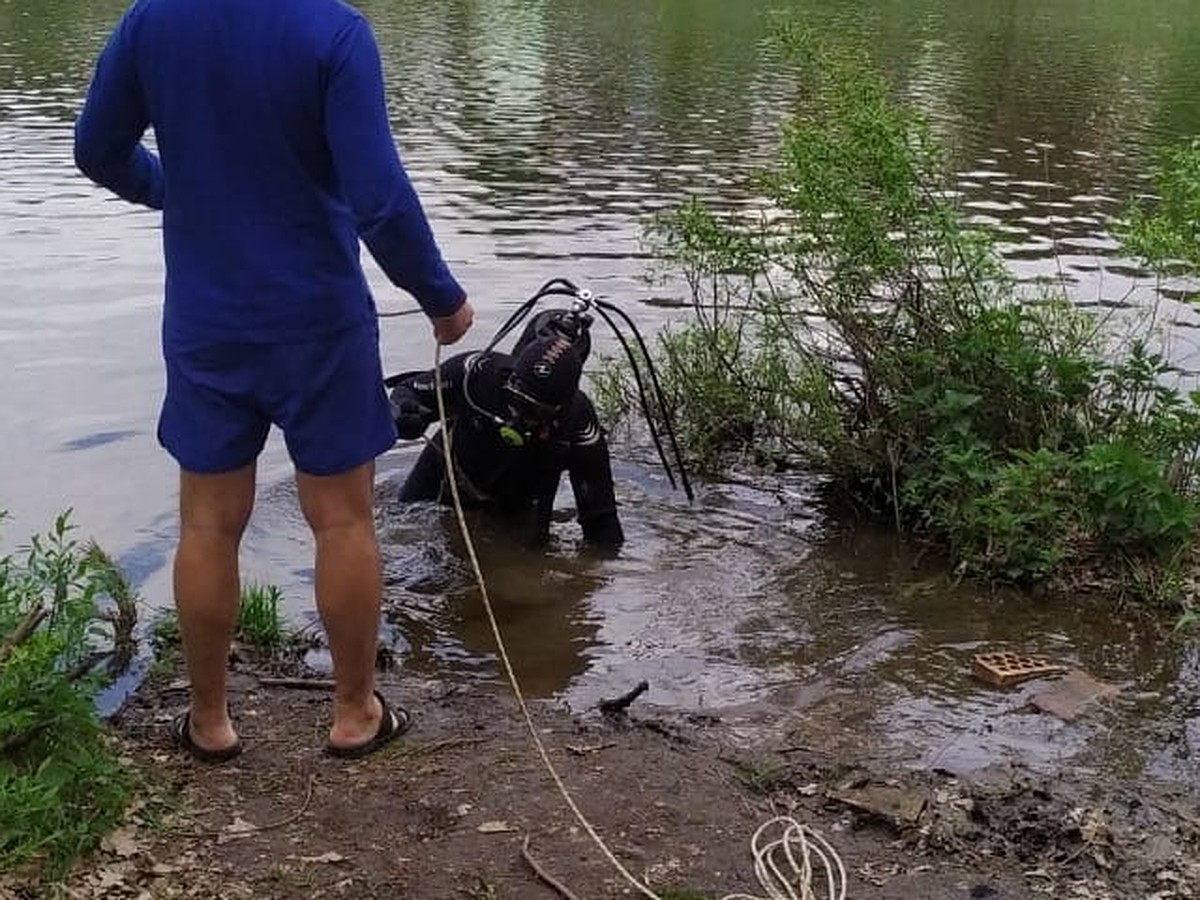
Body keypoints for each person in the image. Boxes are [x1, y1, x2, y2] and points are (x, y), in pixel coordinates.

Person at [73, 0, 474, 762]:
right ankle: (356, 713)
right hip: (319, 323)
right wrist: (442, 299)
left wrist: (173, 190)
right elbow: (379, 200)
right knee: (343, 522)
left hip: (208, 324)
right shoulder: (333, 31)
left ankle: (210, 722)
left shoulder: (151, 23)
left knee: (207, 524)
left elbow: (96, 148)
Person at [387, 309, 625, 551]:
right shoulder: (477, 371)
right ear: (510, 377)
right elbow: (408, 392)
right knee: (399, 529)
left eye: (535, 412)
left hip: (518, 504)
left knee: (520, 564)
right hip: (444, 473)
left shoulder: (579, 422)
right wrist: (407, 416)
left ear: (560, 410)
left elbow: (601, 522)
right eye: (516, 400)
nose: (519, 415)